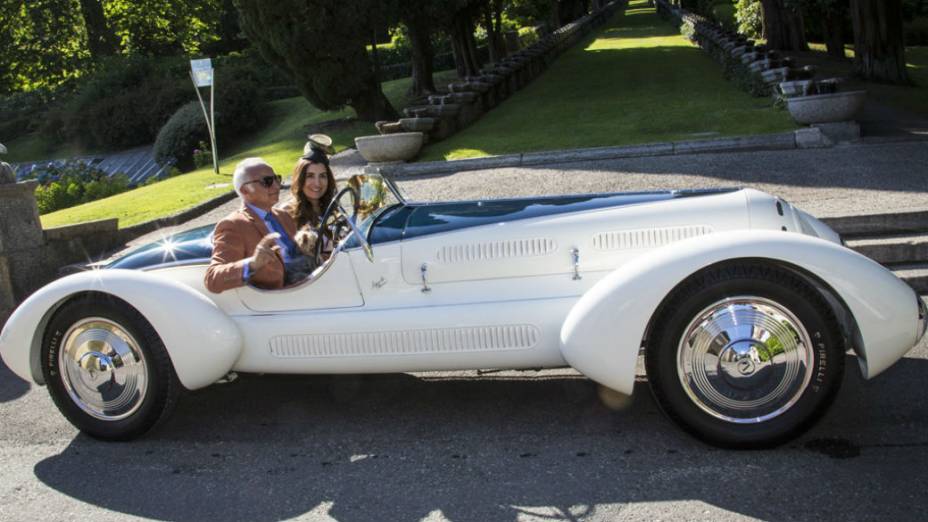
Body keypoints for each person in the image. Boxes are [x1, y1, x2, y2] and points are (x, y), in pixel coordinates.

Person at [204, 157, 299, 293]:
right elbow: (213, 279)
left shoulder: (283, 215)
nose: (277, 186)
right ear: (245, 191)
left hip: (308, 284)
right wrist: (253, 263)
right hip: (282, 300)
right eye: (267, 181)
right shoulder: (233, 225)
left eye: (277, 178)